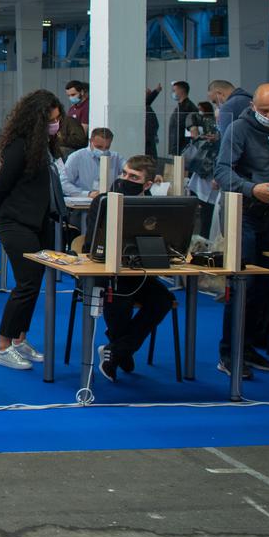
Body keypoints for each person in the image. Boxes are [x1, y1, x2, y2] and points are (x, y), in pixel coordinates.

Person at [212, 82, 269, 379]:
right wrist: (253, 189)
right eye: (264, 110)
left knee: (267, 285)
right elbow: (222, 172)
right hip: (244, 214)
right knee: (242, 283)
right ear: (253, 106)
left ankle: (250, 346)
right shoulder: (238, 129)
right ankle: (229, 352)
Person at [84, 155, 177, 381]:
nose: (125, 179)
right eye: (124, 173)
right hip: (105, 272)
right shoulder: (103, 201)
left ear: (147, 184)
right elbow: (90, 245)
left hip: (138, 273)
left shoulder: (155, 208)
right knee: (119, 299)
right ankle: (121, 351)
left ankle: (117, 350)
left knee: (162, 300)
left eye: (133, 176)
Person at [0, 89, 64, 371]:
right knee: (26, 283)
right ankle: (3, 346)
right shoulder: (19, 146)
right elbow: (1, 185)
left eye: (57, 119)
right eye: (51, 120)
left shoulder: (45, 146)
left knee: (34, 283)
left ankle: (20, 339)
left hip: (39, 222)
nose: (55, 125)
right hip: (15, 221)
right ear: (36, 120)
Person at [61, 127, 115, 200]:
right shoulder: (76, 157)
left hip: (107, 202)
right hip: (83, 205)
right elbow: (63, 183)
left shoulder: (115, 157)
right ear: (90, 141)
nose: (103, 151)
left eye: (107, 148)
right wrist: (87, 194)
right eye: (99, 147)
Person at [166, 81, 198, 156]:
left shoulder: (188, 107)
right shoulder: (180, 107)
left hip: (183, 147)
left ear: (181, 91)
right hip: (176, 146)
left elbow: (193, 129)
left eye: (174, 90)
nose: (173, 93)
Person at [143, 84, 162, 159]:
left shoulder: (147, 108)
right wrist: (155, 92)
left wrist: (156, 92)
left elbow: (146, 102)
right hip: (148, 140)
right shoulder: (144, 107)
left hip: (149, 139)